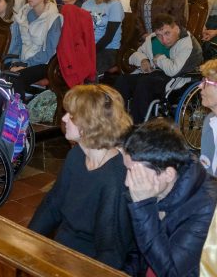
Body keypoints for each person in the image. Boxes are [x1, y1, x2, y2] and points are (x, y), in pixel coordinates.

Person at [29, 85, 133, 270]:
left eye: (71, 115)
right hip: (65, 247)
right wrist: (27, 239)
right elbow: (53, 205)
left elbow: (110, 252)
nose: (63, 119)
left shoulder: (114, 178)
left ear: (90, 123)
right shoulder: (77, 155)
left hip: (88, 261)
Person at [122, 119, 217, 277]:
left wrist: (144, 208)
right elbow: (137, 253)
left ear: (168, 174)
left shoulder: (207, 208)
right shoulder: (155, 188)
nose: (127, 182)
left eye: (134, 172)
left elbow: (171, 272)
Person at [114, 14, 203, 124]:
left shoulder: (188, 43)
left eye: (167, 33)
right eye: (159, 35)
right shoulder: (152, 39)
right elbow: (134, 56)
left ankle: (139, 125)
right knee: (123, 80)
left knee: (144, 84)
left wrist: (160, 59)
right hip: (154, 75)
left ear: (176, 28)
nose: (164, 40)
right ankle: (116, 120)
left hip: (177, 82)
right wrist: (143, 60)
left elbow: (174, 70)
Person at [5, 0, 62, 98]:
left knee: (17, 78)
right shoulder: (24, 14)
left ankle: (18, 108)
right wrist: (14, 62)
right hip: (24, 58)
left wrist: (26, 64)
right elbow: (19, 43)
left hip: (44, 63)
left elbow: (48, 51)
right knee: (1, 73)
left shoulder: (53, 19)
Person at [82, 0, 124, 75]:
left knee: (86, 68)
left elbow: (108, 37)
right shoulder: (86, 5)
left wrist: (91, 51)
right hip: (88, 47)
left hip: (107, 49)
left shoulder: (114, 5)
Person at [199, 59, 217, 177]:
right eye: (202, 81)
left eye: (207, 82)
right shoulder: (210, 121)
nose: (200, 86)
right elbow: (206, 168)